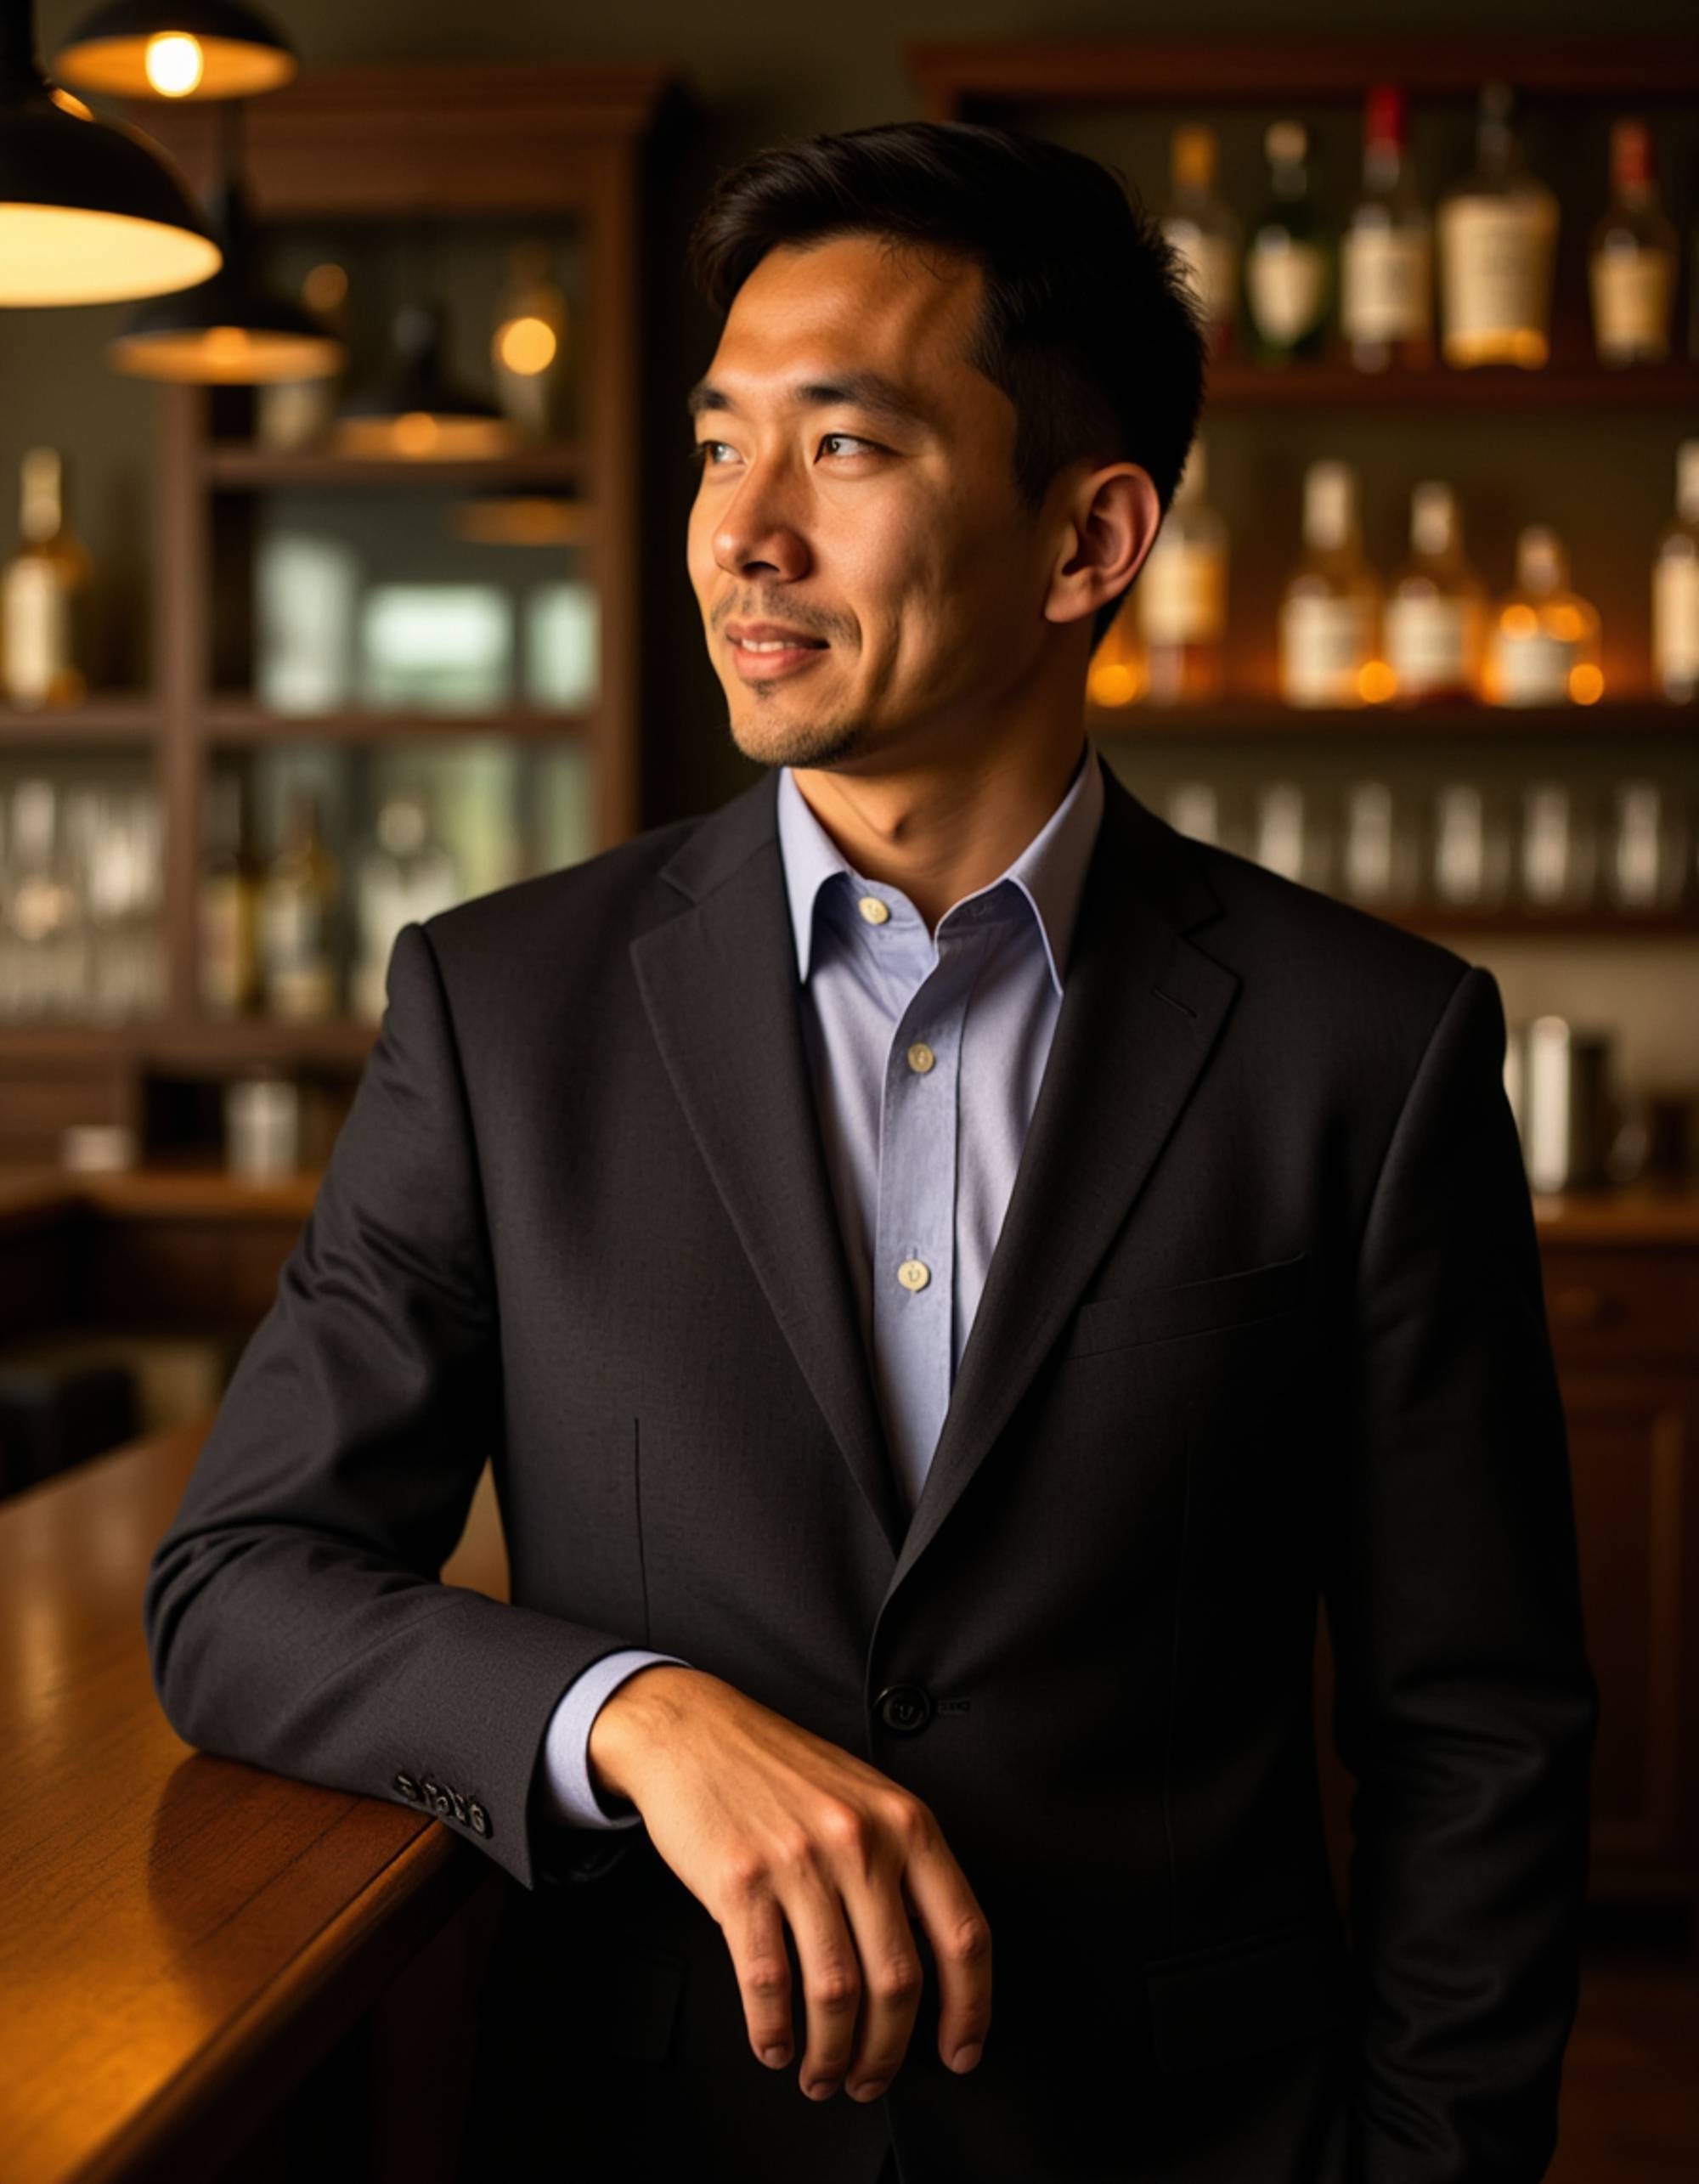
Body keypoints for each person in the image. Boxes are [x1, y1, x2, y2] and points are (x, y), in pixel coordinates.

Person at [144, 121, 1599, 2183]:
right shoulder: (500, 1006)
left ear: (1088, 539)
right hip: (652, 2142)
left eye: (842, 447)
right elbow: (238, 1585)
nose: (741, 532)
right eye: (718, 446)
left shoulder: (1367, 1042)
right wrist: (632, 1710)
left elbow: (1479, 1726)